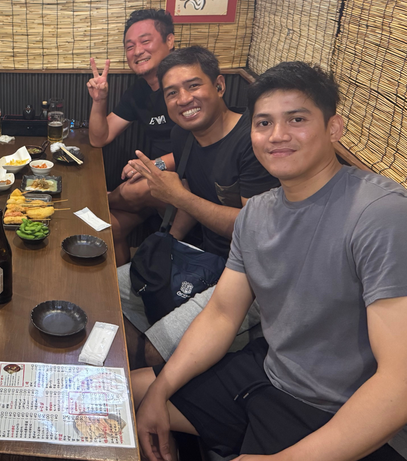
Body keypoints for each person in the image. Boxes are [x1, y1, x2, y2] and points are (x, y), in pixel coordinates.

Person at [133, 62, 407, 461]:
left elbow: (399, 380)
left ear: (333, 128)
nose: (277, 135)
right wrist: (159, 392)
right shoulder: (257, 213)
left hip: (336, 411)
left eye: (297, 119)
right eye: (264, 123)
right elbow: (221, 316)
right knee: (126, 395)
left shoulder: (380, 214)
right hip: (268, 374)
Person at [117, 46, 278, 366]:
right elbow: (192, 190)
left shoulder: (253, 141)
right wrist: (167, 245)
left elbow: (254, 230)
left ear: (219, 85)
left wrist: (178, 197)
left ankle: (157, 368)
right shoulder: (183, 135)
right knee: (107, 294)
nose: (183, 99)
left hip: (253, 278)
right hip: (206, 257)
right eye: (172, 93)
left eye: (193, 86)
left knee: (155, 348)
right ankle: (143, 369)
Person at [86, 9, 176, 265]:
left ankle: (100, 200)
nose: (137, 51)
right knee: (105, 227)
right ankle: (121, 288)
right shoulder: (139, 91)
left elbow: (201, 146)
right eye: (130, 46)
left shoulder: (185, 85)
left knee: (141, 187)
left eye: (145, 41)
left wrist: (157, 165)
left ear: (169, 40)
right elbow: (99, 138)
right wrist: (99, 100)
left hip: (189, 179)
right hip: (153, 182)